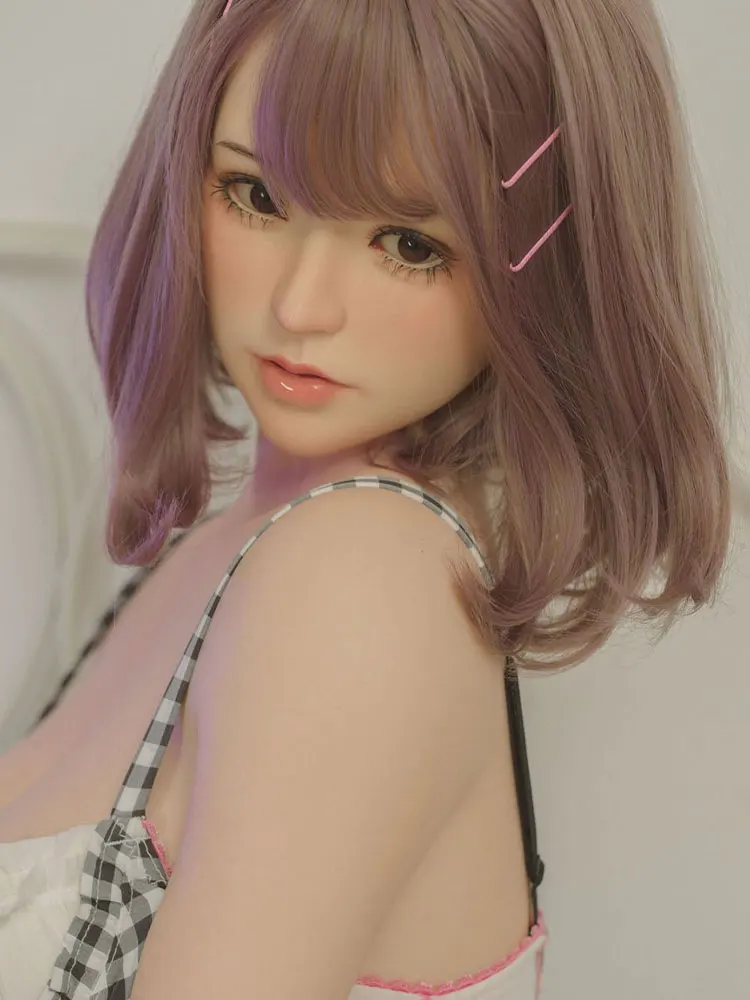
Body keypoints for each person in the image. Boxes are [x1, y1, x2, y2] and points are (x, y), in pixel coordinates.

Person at [0, 0, 736, 997]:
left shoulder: (357, 575)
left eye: (411, 244)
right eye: (256, 195)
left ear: (548, 267)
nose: (300, 305)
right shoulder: (232, 546)